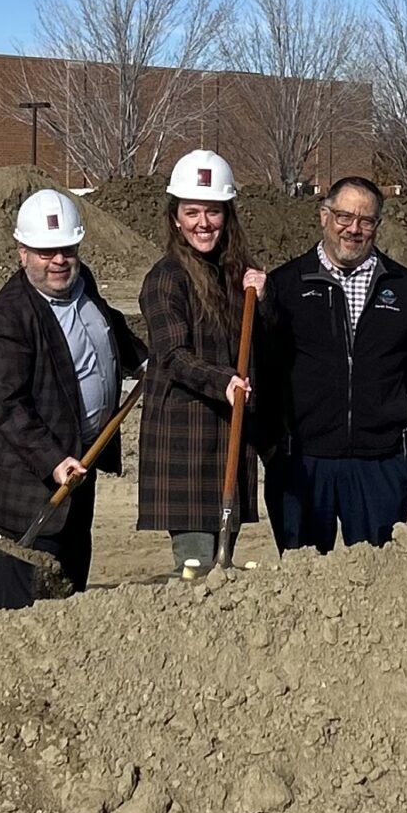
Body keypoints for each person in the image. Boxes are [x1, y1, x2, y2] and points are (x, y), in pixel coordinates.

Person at [0, 188, 145, 607]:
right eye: (46, 251)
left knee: (70, 589)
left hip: (79, 463)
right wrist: (52, 460)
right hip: (30, 483)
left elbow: (108, 325)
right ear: (22, 253)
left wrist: (141, 360)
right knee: (27, 606)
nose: (58, 261)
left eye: (67, 250)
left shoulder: (82, 285)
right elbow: (7, 407)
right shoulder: (7, 319)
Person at [259, 176, 407, 552]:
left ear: (377, 225)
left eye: (366, 220)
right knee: (304, 580)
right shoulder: (286, 286)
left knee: (378, 582)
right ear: (324, 216)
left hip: (380, 464)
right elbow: (261, 372)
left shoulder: (406, 290)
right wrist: (272, 451)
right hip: (302, 463)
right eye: (345, 216)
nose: (354, 229)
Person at [136, 150, 265, 576]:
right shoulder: (165, 279)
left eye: (213, 212)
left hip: (230, 435)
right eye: (192, 212)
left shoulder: (238, 276)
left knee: (223, 569)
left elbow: (267, 342)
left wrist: (266, 301)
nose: (203, 223)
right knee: (196, 569)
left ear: (228, 215)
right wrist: (224, 380)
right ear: (175, 217)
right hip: (186, 444)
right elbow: (172, 356)